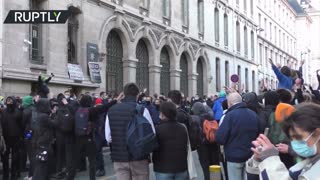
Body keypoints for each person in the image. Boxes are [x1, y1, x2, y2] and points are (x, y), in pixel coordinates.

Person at [251, 103, 320, 179]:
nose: (295, 143)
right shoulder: (306, 164)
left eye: (298, 137)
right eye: (291, 138)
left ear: (317, 133)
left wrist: (270, 159)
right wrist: (259, 160)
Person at [105, 83, 155, 180]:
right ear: (137, 95)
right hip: (139, 156)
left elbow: (108, 137)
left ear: (123, 94)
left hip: (119, 157)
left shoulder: (111, 110)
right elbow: (152, 133)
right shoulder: (142, 110)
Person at [215, 93, 260, 180]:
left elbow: (220, 138)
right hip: (250, 155)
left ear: (230, 103)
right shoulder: (253, 114)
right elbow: (259, 133)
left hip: (233, 156)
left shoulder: (229, 116)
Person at [72, 94, 117, 180]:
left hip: (78, 138)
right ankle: (93, 177)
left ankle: (70, 176)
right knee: (92, 161)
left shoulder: (77, 110)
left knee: (75, 160)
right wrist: (115, 100)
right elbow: (105, 107)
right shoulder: (92, 110)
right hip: (90, 138)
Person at [152, 102, 188, 180]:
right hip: (181, 167)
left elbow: (153, 147)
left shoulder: (158, 129)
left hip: (163, 168)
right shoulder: (182, 128)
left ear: (163, 114)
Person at [191, 102, 219, 180]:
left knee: (206, 169)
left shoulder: (196, 119)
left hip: (203, 147)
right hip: (214, 145)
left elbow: (195, 135)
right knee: (215, 167)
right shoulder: (211, 117)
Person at [31, 98, 56, 180]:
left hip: (39, 142)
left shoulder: (37, 114)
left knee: (41, 165)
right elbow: (54, 124)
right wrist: (54, 114)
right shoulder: (44, 116)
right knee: (42, 167)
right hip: (44, 143)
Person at [1, 96, 23, 180]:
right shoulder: (3, 111)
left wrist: (20, 135)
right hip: (5, 138)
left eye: (10, 101)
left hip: (16, 138)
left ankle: (14, 174)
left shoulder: (18, 112)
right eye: (8, 101)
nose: (9, 102)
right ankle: (5, 175)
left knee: (15, 158)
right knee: (5, 158)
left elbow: (22, 125)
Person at [22, 96, 35, 180]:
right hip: (35, 134)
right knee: (33, 155)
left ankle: (31, 175)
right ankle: (32, 174)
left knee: (31, 156)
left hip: (28, 135)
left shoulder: (26, 111)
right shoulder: (35, 108)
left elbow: (22, 124)